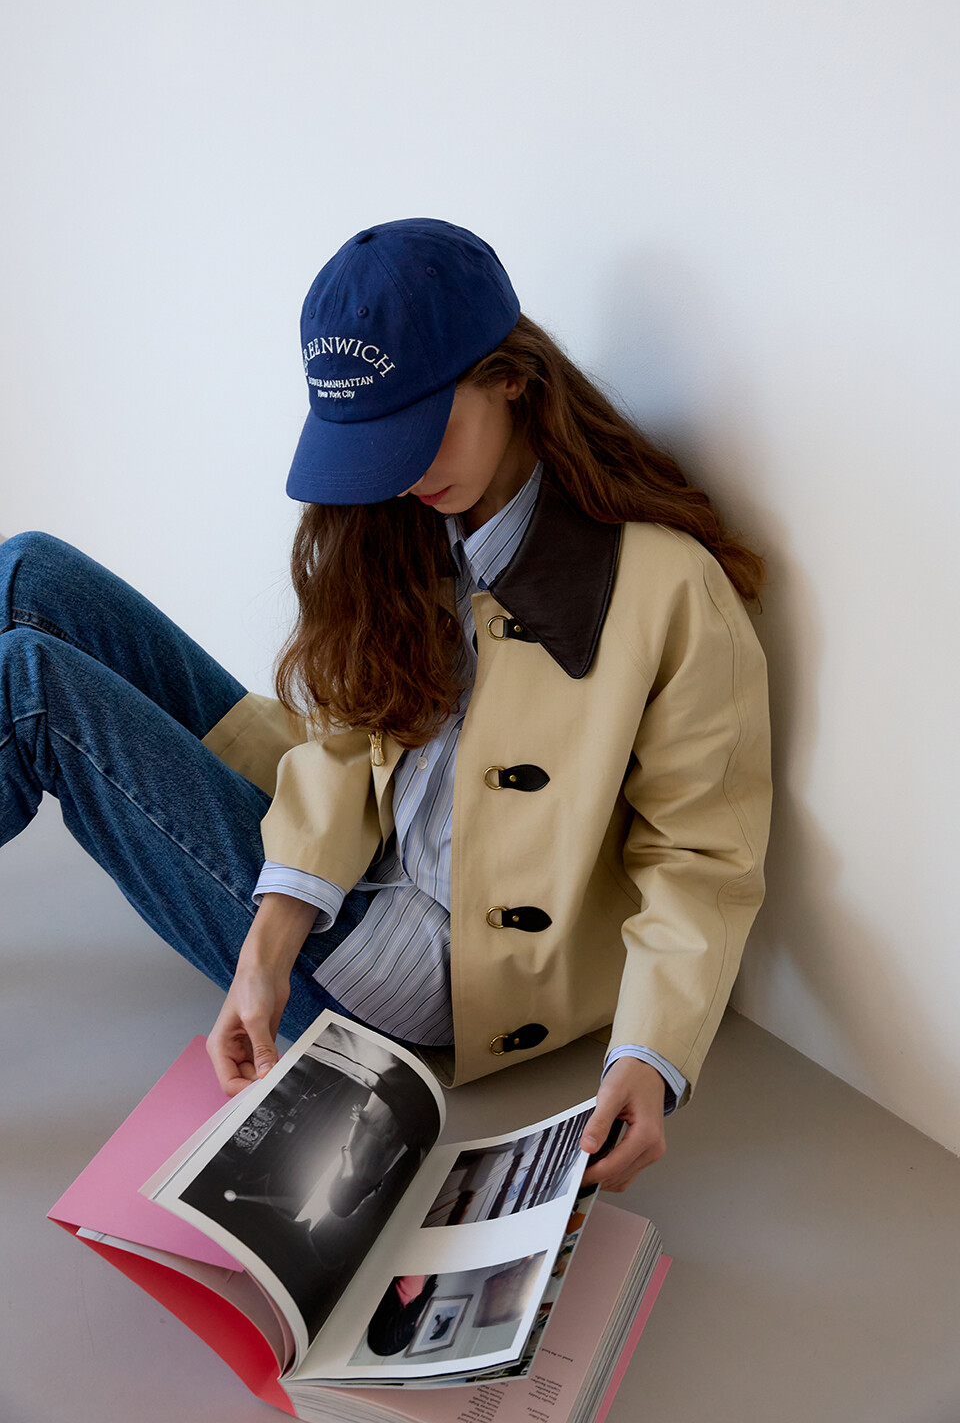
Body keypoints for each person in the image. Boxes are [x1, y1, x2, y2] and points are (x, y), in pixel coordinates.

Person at [0, 218, 771, 1192]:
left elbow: (701, 852)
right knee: (28, 569)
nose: (405, 473)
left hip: (419, 970)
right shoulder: (410, 523)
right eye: (377, 444)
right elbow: (350, 735)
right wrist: (267, 947)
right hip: (336, 855)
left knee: (28, 684)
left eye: (421, 431)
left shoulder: (666, 588)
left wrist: (649, 1054)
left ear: (511, 379)